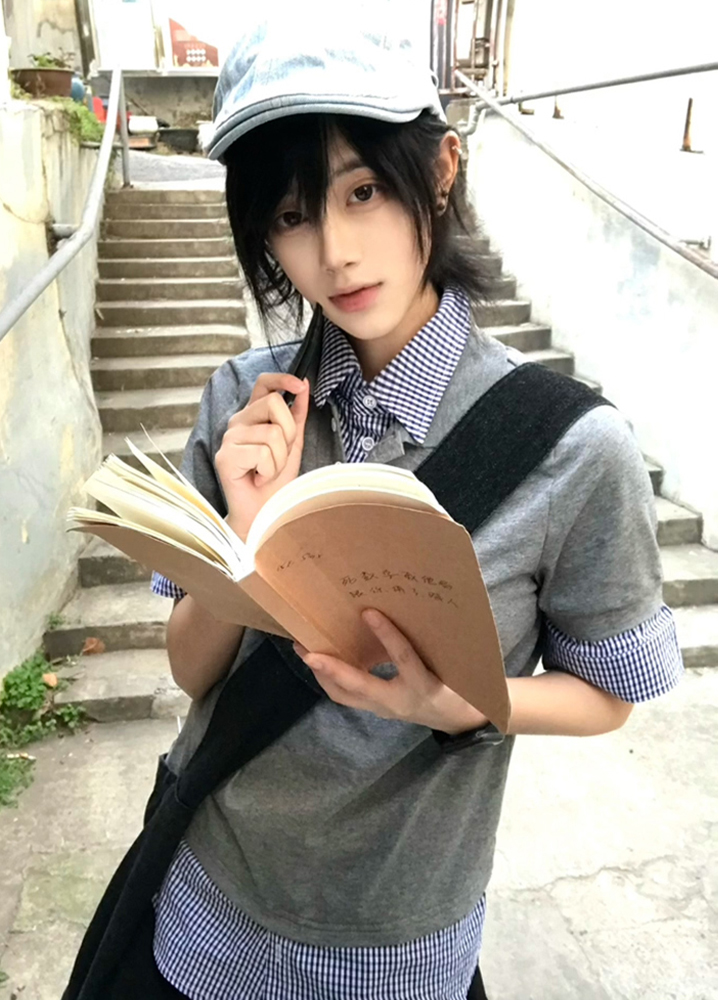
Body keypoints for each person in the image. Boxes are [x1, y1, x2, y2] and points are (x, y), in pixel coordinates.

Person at [148, 6, 683, 998]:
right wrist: (242, 537)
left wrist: (458, 704)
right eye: (292, 215)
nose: (336, 253)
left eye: (363, 191)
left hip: (393, 931)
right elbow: (190, 672)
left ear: (440, 169)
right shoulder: (244, 405)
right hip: (208, 891)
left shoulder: (574, 448)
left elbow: (608, 696)